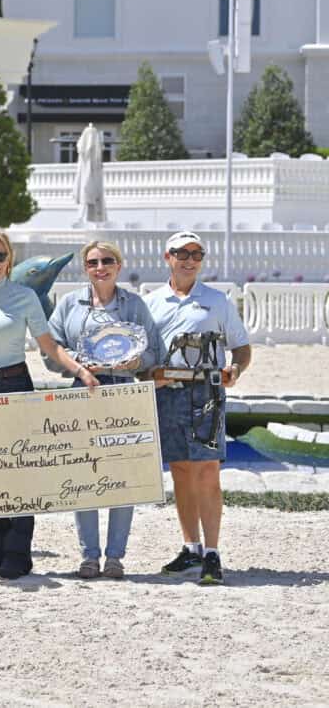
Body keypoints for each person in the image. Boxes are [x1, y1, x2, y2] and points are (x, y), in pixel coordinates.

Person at [0, 229, 99, 580]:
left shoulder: (25, 296)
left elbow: (48, 345)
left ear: (9, 260)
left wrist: (80, 370)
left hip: (15, 385)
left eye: (0, 256)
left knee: (20, 473)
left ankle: (18, 554)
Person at [47, 240, 162, 580]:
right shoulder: (69, 304)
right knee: (85, 475)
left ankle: (115, 556)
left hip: (124, 392)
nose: (101, 267)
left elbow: (154, 351)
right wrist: (77, 365)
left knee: (121, 475)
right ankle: (89, 555)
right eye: (94, 262)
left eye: (108, 260)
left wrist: (138, 361)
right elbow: (52, 349)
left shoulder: (135, 305)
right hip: (83, 390)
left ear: (119, 265)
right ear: (86, 268)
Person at [145, 231, 250, 586]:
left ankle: (213, 553)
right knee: (180, 471)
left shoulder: (218, 301)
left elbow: (242, 346)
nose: (189, 259)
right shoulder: (151, 302)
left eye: (196, 253)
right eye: (181, 253)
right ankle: (190, 547)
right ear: (167, 257)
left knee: (207, 472)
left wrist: (236, 369)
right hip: (167, 394)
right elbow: (143, 353)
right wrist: (148, 374)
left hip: (208, 394)